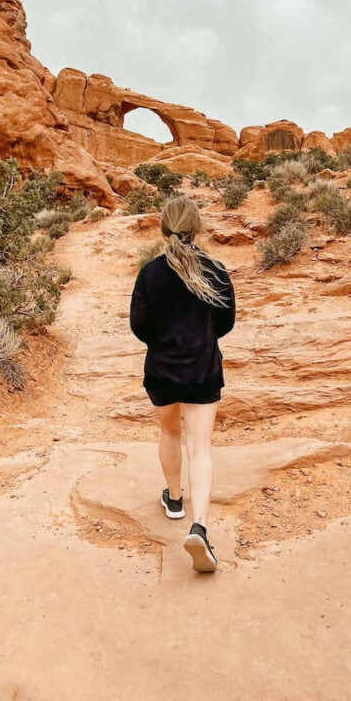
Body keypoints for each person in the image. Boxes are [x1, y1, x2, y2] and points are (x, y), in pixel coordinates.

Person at [129, 195, 236, 572]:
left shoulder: (150, 273)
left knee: (170, 433)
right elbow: (226, 323)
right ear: (198, 227)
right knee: (200, 449)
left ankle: (174, 500)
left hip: (161, 370)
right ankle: (200, 527)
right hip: (203, 370)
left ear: (163, 228)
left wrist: (163, 343)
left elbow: (138, 325)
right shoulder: (216, 270)